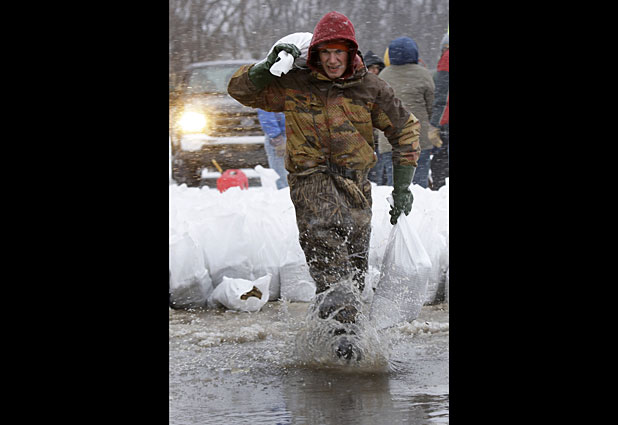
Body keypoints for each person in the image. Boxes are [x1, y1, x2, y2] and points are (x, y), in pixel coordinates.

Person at [228, 11, 420, 360]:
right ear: (315, 53)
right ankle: (345, 340)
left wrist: (402, 187)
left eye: (339, 52)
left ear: (351, 53)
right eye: (326, 52)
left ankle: (330, 334)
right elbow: (240, 90)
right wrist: (267, 66)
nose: (332, 60)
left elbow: (405, 130)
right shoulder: (296, 82)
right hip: (310, 181)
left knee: (354, 268)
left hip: (355, 186)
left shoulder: (370, 88)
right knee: (327, 252)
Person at [377, 36, 438, 189]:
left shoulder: (383, 76)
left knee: (395, 187)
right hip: (418, 139)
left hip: (390, 141)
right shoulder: (424, 74)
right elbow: (432, 106)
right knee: (419, 187)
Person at [363, 51, 393, 187]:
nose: (375, 71)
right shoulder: (360, 86)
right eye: (371, 68)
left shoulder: (384, 85)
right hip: (366, 135)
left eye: (377, 68)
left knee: (382, 172)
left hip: (380, 134)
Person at [429, 32, 449, 190]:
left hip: (446, 122)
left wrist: (434, 125)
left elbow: (443, 96)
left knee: (440, 164)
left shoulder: (447, 59)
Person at [256, 109, 289, 189]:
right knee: (280, 175)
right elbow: (266, 114)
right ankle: (282, 193)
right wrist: (275, 136)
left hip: (290, 135)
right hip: (279, 137)